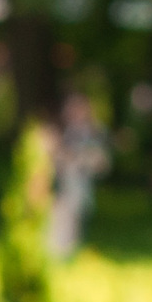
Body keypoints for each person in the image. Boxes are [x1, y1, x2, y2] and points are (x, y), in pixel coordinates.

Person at [46, 94, 108, 260]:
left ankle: (64, 259)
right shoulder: (60, 131)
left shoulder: (94, 133)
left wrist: (77, 158)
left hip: (78, 188)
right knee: (54, 231)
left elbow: (101, 163)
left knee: (70, 232)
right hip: (56, 188)